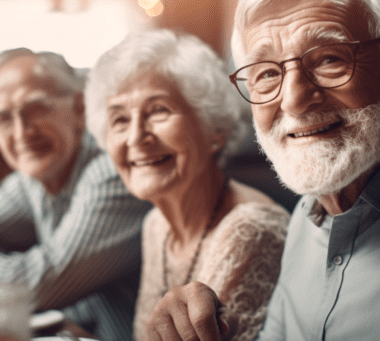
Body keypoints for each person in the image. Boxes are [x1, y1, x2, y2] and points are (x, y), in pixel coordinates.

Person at [146, 0, 380, 340]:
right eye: (266, 73)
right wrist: (200, 324)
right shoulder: (308, 213)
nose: (293, 99)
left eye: (328, 59)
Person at [0, 48, 153, 340]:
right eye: (3, 119)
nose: (22, 132)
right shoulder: (33, 180)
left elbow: (35, 286)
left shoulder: (111, 171)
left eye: (36, 109)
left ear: (80, 109)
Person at [85, 30, 290, 341]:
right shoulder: (156, 226)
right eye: (120, 120)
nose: (137, 136)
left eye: (158, 111)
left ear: (213, 130)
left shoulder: (250, 230)